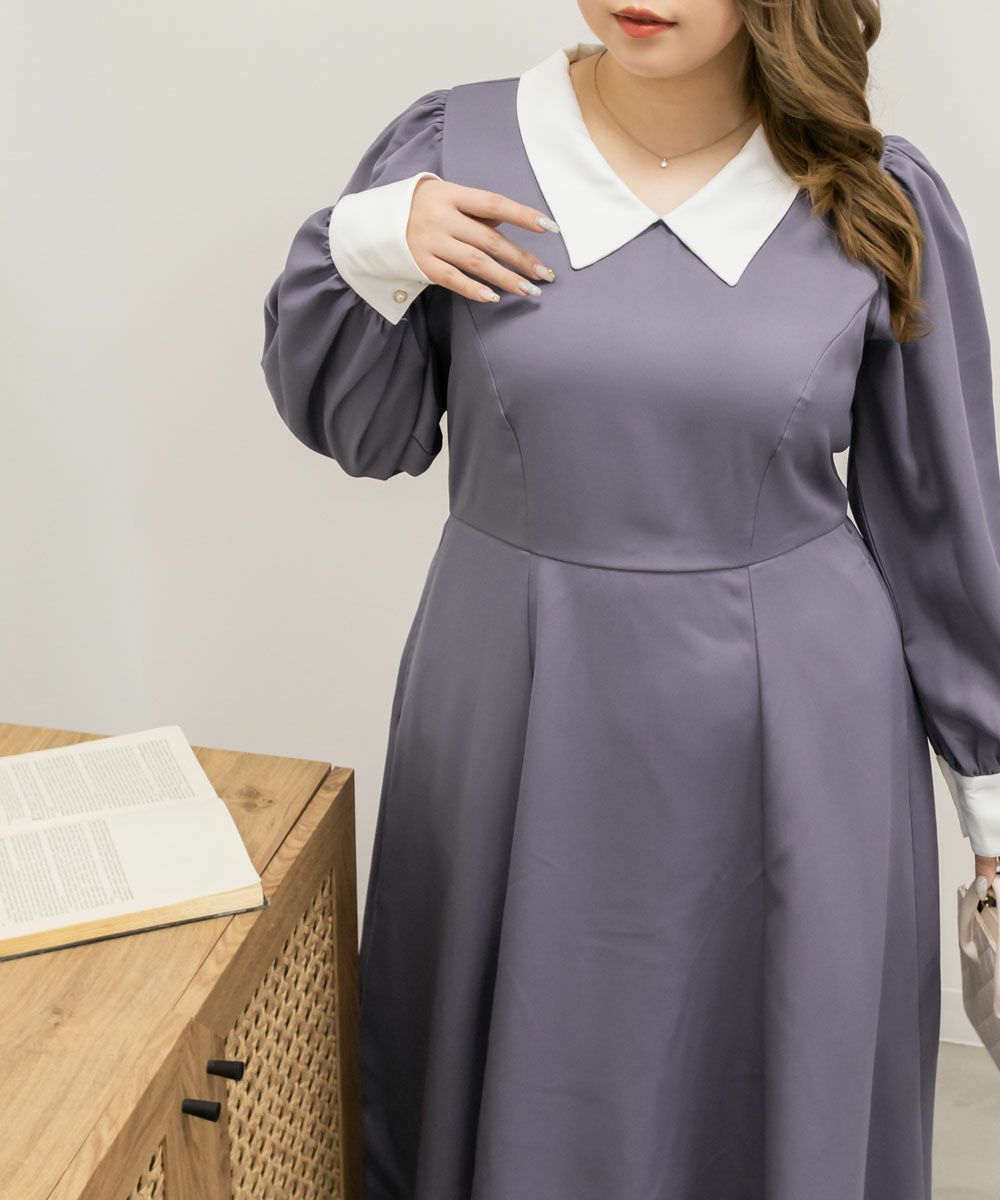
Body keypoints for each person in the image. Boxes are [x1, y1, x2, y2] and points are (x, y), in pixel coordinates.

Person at [260, 3, 1000, 1197]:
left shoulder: (870, 194)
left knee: (770, 1089)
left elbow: (939, 515)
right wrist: (368, 242)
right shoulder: (452, 151)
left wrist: (990, 799)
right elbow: (365, 430)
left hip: (798, 738)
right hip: (512, 705)